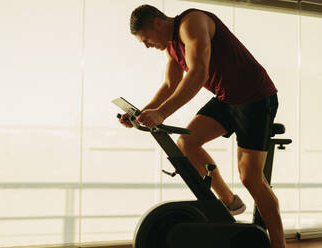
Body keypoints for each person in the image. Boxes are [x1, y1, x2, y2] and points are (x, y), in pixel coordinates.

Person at [118, 4, 286, 248]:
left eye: (146, 39)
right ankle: (230, 202)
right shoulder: (172, 47)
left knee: (251, 177)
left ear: (157, 23)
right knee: (187, 142)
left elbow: (198, 73)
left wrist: (161, 113)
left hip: (255, 97)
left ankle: (279, 245)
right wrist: (141, 114)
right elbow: (169, 85)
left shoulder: (192, 23)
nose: (146, 46)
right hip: (227, 99)